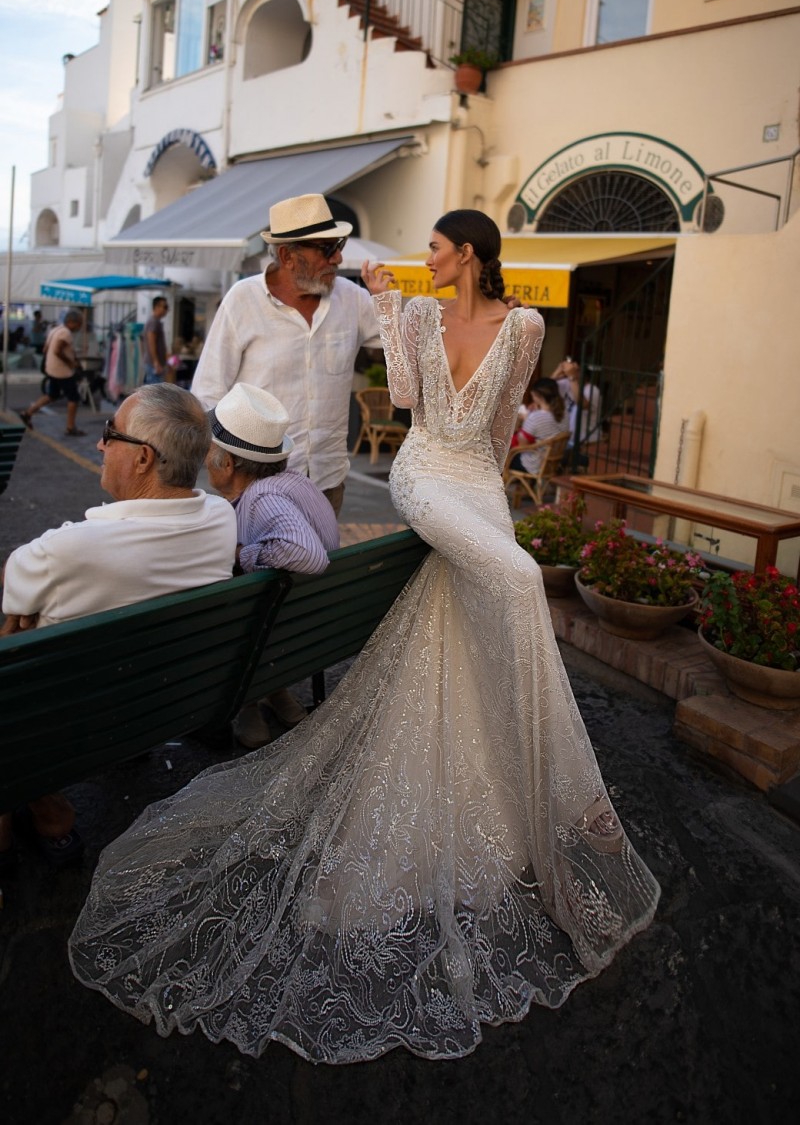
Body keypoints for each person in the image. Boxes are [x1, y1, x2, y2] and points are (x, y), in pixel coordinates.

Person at [69, 210, 659, 1065]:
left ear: (468, 255)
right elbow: (407, 401)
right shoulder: (341, 307)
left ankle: (518, 782)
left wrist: (492, 502)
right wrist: (395, 312)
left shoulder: (508, 322)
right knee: (519, 582)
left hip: (426, 484)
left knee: (472, 597)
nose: (349, 260)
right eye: (323, 249)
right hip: (359, 478)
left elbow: (495, 428)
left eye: (433, 248)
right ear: (287, 253)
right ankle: (566, 792)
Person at [1, 383, 237, 875]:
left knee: (14, 632)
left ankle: (42, 802)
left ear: (144, 459)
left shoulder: (68, 551)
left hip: (59, 722)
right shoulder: (220, 518)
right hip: (158, 707)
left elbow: (14, 583)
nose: (99, 445)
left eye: (110, 434)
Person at [191, 193, 382, 516]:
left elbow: (403, 348)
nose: (337, 260)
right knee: (249, 567)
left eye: (339, 247)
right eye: (328, 249)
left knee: (316, 564)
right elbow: (208, 391)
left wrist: (386, 302)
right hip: (253, 485)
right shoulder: (243, 300)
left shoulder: (353, 299)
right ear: (287, 256)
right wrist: (224, 470)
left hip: (325, 481)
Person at [205, 381, 340, 744]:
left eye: (208, 450)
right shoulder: (293, 482)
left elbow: (307, 555)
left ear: (228, 463)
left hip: (275, 633)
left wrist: (241, 555)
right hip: (309, 627)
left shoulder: (262, 498)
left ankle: (249, 700)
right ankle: (276, 692)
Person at [17, 309, 86, 437]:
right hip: (62, 371)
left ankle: (28, 413)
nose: (80, 327)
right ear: (71, 322)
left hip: (51, 368)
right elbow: (57, 350)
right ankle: (70, 427)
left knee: (52, 395)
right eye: (79, 324)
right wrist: (70, 362)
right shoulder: (65, 333)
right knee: (74, 397)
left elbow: (46, 349)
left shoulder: (55, 330)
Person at [509, 377, 568, 475]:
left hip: (535, 464)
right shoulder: (565, 414)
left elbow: (522, 445)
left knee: (504, 454)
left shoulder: (535, 417)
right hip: (553, 462)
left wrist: (526, 419)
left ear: (537, 396)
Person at [553, 357, 602, 460]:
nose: (573, 372)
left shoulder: (593, 390)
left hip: (583, 441)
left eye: (577, 370)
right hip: (567, 438)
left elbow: (582, 404)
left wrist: (572, 377)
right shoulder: (568, 382)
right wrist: (558, 371)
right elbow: (545, 390)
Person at [142, 295, 169, 384]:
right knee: (155, 394)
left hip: (154, 364)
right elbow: (151, 342)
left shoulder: (155, 321)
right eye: (164, 307)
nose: (166, 310)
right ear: (157, 307)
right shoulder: (153, 321)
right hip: (153, 364)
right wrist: (156, 362)